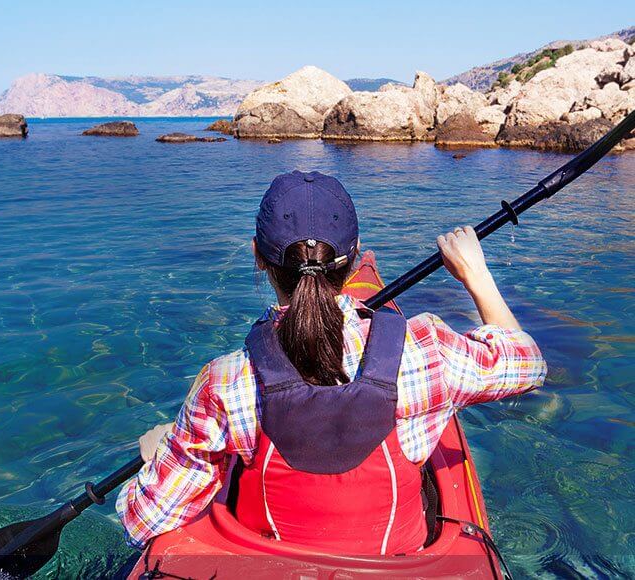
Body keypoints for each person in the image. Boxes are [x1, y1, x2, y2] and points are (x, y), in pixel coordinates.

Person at [116, 170, 547, 554]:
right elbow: (528, 365)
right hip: (394, 561)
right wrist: (476, 274)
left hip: (273, 562)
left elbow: (142, 521)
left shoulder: (224, 381)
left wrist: (158, 456)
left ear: (258, 257)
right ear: (356, 255)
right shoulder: (426, 350)